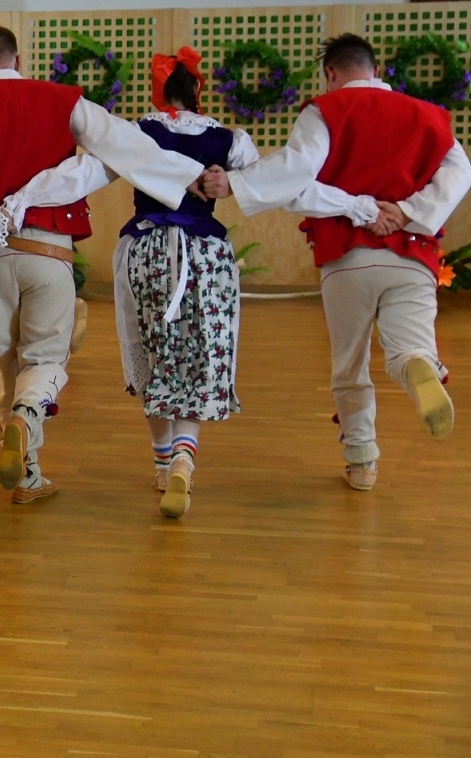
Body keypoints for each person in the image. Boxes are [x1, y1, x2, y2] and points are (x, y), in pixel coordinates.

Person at [0, 24, 207, 504]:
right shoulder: (62, 100)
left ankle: (28, 474)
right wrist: (186, 174)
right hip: (48, 248)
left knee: (7, 364)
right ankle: (30, 415)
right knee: (46, 359)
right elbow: (123, 141)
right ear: (18, 58)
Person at [201, 33, 470, 491]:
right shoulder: (429, 116)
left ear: (330, 73)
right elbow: (458, 171)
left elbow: (297, 169)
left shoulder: (325, 111)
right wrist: (406, 212)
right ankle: (416, 366)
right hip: (410, 255)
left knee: (350, 362)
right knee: (408, 347)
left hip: (347, 258)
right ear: (376, 69)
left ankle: (362, 459)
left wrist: (238, 185)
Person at [112, 49, 260, 518]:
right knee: (198, 351)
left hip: (147, 248)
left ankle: (162, 461)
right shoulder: (227, 138)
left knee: (155, 352)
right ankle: (183, 455)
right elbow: (262, 177)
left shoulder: (140, 132)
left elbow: (97, 165)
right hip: (206, 253)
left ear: (160, 92)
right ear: (199, 91)